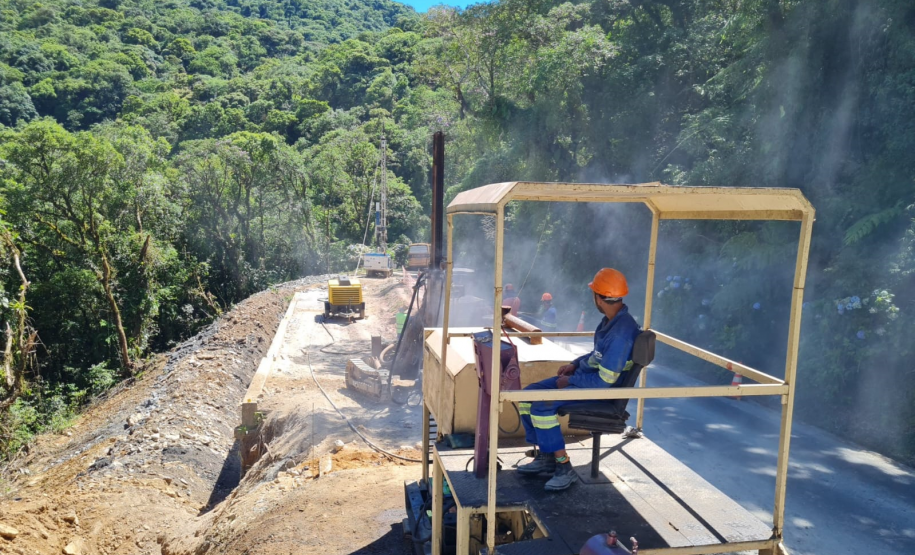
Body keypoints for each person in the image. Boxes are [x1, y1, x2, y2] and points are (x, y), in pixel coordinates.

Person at [517, 268, 640, 491]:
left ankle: (564, 468)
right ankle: (547, 457)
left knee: (542, 406)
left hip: (601, 393)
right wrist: (575, 364)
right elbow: (597, 356)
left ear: (599, 297)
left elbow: (605, 381)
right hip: (588, 380)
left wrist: (572, 381)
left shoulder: (621, 333)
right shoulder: (610, 322)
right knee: (527, 396)